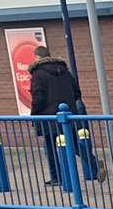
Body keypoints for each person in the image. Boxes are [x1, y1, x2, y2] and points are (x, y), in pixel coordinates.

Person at [28, 45, 93, 185]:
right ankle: (93, 165)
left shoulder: (37, 74)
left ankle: (57, 177)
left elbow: (38, 97)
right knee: (74, 143)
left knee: (50, 147)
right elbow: (77, 93)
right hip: (68, 115)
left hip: (48, 117)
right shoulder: (65, 72)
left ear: (37, 57)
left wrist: (34, 114)